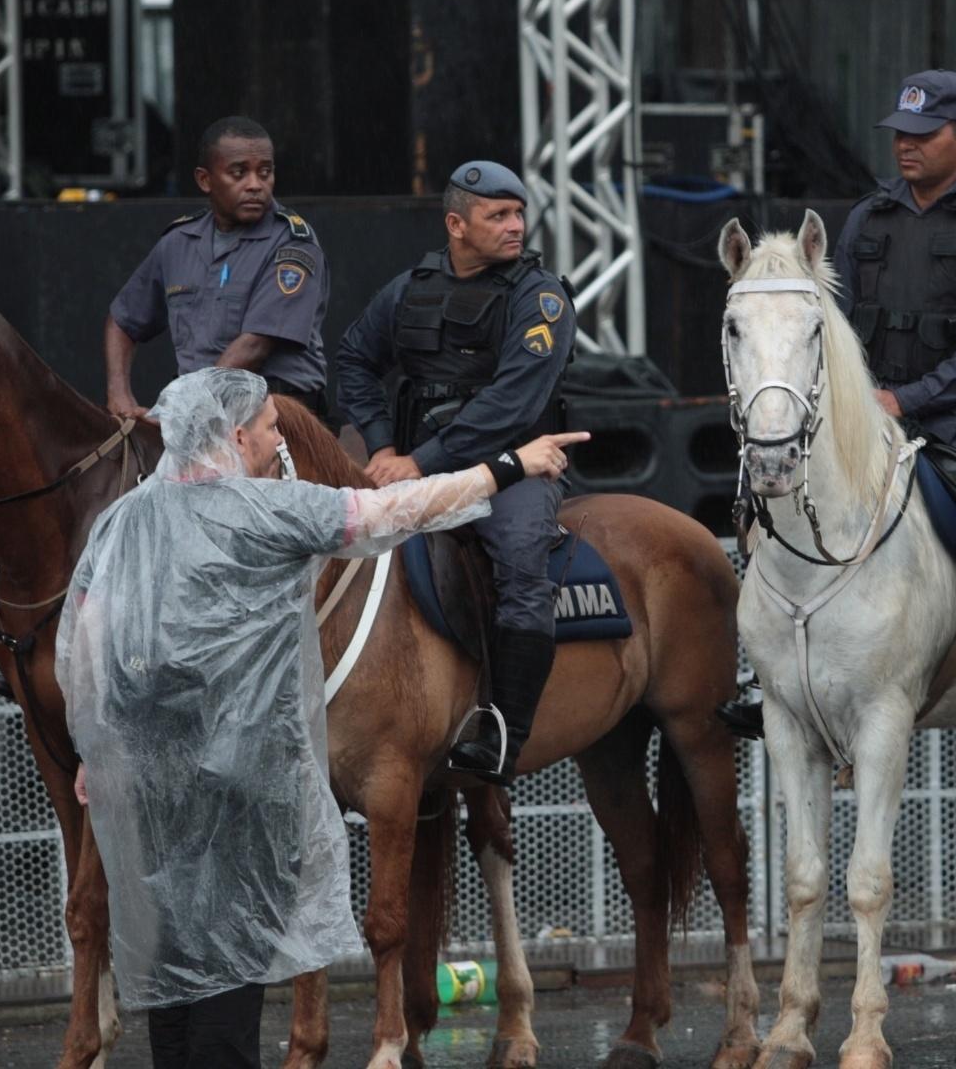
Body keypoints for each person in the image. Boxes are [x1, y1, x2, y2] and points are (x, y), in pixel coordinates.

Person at [59, 367, 584, 1068]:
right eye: (274, 429)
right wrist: (510, 465)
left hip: (150, 787)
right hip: (233, 787)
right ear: (236, 436)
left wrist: (97, 754)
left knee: (175, 974)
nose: (282, 441)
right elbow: (395, 512)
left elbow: (87, 647)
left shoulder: (120, 523)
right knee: (228, 978)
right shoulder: (264, 513)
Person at [727, 69, 956, 735]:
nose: (905, 147)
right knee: (769, 495)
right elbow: (835, 327)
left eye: (922, 135)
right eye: (899, 134)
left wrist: (906, 400)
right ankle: (766, 673)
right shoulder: (869, 216)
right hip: (870, 408)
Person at [332, 159, 576, 784]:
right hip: (413, 464)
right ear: (456, 225)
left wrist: (418, 462)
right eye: (498, 215)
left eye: (519, 213)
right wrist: (382, 444)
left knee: (522, 565)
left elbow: (514, 403)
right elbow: (355, 358)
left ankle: (504, 734)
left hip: (517, 466)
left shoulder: (539, 295)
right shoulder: (410, 287)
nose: (515, 225)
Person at [104, 116, 332, 419]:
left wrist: (182, 411)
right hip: (196, 415)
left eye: (265, 172)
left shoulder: (292, 243)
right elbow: (123, 320)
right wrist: (119, 393)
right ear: (205, 180)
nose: (255, 185)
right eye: (239, 173)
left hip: (276, 419)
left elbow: (253, 347)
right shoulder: (179, 242)